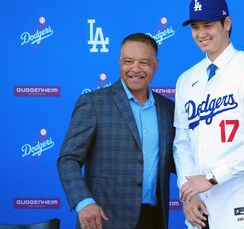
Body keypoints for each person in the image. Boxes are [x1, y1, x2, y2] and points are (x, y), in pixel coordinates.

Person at [173, 0, 244, 229]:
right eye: (195, 27)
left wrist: (212, 178)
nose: (201, 33)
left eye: (208, 25)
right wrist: (188, 191)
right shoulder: (186, 80)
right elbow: (182, 142)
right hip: (201, 214)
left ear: (227, 24)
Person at [57, 33, 175, 229]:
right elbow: (68, 159)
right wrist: (83, 202)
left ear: (155, 65)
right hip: (104, 220)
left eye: (144, 62)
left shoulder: (167, 109)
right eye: (128, 61)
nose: (135, 69)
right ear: (120, 62)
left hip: (154, 220)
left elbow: (177, 160)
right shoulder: (94, 103)